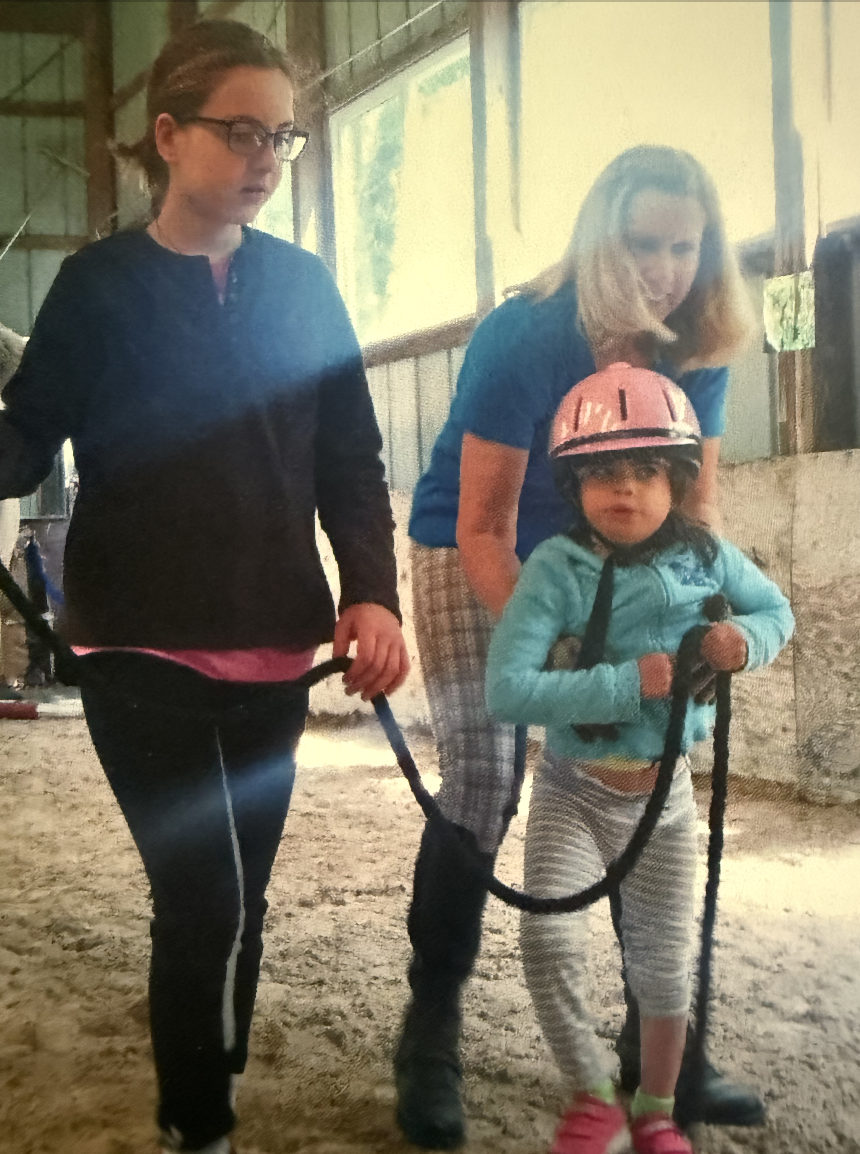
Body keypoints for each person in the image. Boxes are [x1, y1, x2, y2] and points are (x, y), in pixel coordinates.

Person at [0, 20, 409, 1154]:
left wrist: (368, 590)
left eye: (281, 135)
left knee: (245, 894)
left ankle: (209, 1053)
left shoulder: (306, 289)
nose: (266, 156)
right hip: (138, 646)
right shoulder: (95, 288)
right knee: (204, 897)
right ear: (168, 135)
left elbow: (349, 458)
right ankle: (200, 1125)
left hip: (276, 646)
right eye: (241, 131)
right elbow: (23, 443)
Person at [398, 146, 757, 1148]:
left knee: (644, 768)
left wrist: (708, 615)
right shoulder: (525, 333)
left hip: (621, 550)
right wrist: (557, 657)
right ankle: (430, 1025)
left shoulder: (699, 344)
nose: (662, 267)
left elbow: (696, 501)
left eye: (682, 245)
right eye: (639, 242)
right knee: (484, 774)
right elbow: (482, 522)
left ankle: (665, 1052)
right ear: (601, 240)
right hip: (481, 545)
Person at [484, 363, 794, 1154]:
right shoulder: (556, 569)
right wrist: (624, 684)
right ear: (576, 482)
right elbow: (508, 689)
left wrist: (742, 643)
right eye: (603, 473)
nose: (626, 490)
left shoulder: (706, 556)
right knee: (548, 940)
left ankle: (656, 1107)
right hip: (574, 792)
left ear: (678, 477)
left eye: (646, 471)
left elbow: (776, 610)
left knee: (663, 962)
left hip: (668, 799)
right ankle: (593, 1094)